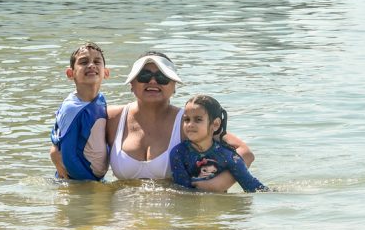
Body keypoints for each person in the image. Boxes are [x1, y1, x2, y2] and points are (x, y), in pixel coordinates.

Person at [107, 51, 255, 192]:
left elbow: (245, 153)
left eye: (162, 77)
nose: (152, 81)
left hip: (174, 216)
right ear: (131, 83)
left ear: (174, 86)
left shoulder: (187, 122)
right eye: (144, 76)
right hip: (124, 215)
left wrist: (218, 184)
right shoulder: (113, 118)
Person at [170, 95, 268, 193]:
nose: (190, 124)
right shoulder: (178, 153)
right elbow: (183, 191)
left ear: (215, 124)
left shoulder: (228, 156)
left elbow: (251, 185)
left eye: (198, 119)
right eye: (186, 119)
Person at [49, 42, 110, 180]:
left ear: (106, 72)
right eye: (83, 62)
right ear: (71, 73)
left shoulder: (101, 100)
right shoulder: (71, 108)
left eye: (97, 61)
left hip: (95, 179)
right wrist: (90, 183)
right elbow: (68, 157)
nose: (91, 65)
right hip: (74, 182)